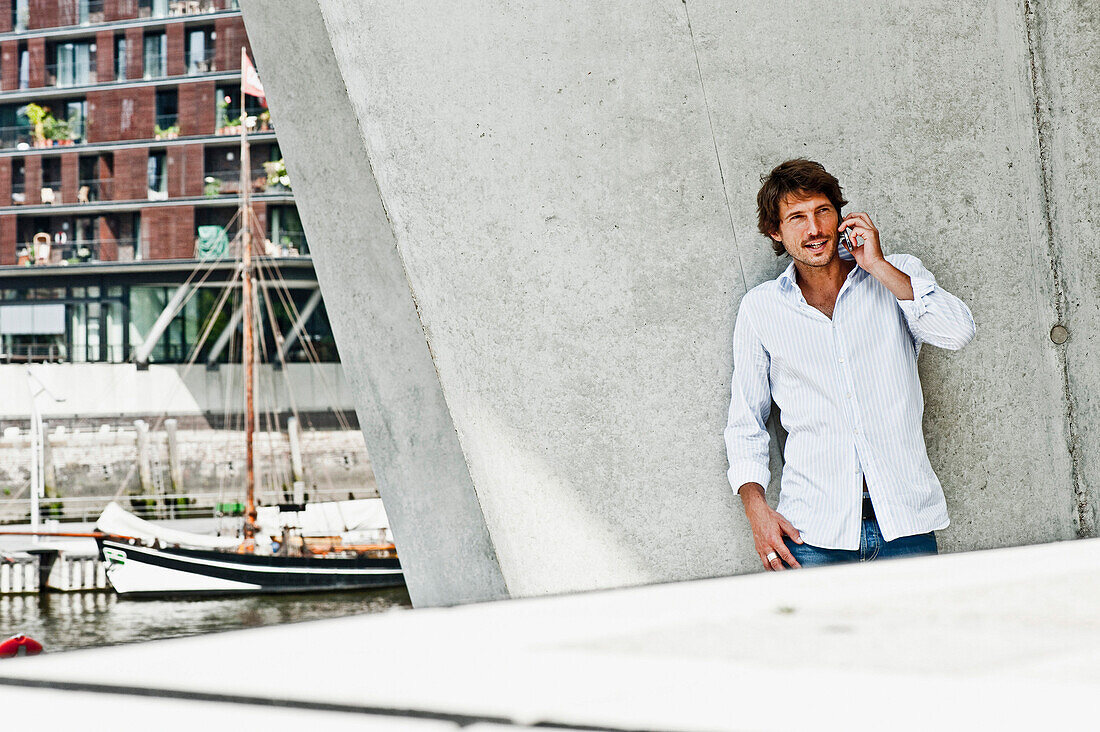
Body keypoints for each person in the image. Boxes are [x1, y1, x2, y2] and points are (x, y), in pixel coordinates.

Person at [725, 159, 975, 571]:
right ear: (776, 231)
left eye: (823, 211)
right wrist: (757, 512)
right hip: (810, 534)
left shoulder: (898, 275)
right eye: (797, 217)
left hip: (905, 524)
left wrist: (876, 265)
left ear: (840, 215)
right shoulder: (760, 309)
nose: (815, 229)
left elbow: (957, 332)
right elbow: (746, 420)